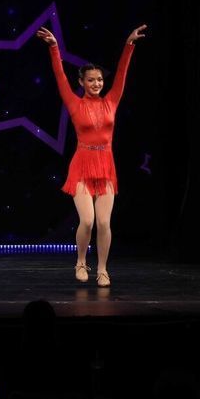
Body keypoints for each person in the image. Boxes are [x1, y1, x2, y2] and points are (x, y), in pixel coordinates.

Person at [37, 24, 146, 286]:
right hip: (82, 165)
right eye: (91, 80)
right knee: (87, 221)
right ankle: (81, 262)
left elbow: (122, 73)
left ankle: (103, 269)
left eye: (99, 79)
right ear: (82, 82)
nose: (96, 83)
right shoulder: (74, 102)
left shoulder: (111, 101)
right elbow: (59, 75)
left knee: (105, 223)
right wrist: (54, 48)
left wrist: (129, 45)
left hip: (106, 165)